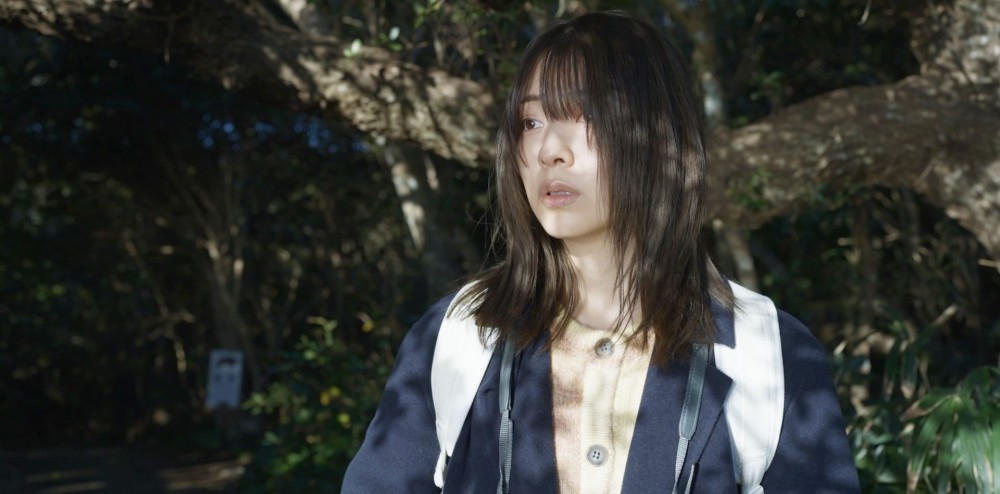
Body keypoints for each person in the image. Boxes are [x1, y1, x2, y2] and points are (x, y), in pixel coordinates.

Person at [343, 10, 859, 493]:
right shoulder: (459, 336)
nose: (549, 150)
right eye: (531, 122)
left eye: (583, 115)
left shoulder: (766, 352)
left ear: (658, 137)